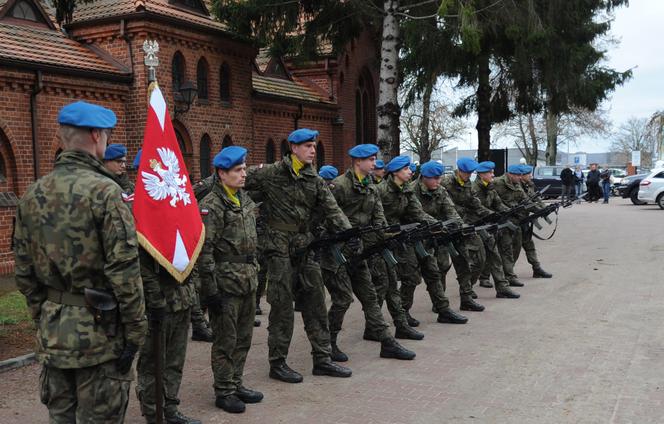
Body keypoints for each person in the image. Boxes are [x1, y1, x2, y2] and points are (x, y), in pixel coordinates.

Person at [14, 101, 147, 423]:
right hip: (100, 336)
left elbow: (24, 271)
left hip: (54, 331)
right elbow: (124, 271)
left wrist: (45, 315)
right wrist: (135, 332)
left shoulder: (33, 193)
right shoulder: (106, 192)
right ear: (96, 135)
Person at [245, 128, 352, 383]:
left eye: (314, 146)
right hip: (279, 249)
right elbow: (234, 181)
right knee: (281, 307)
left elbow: (332, 209)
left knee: (316, 302)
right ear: (293, 148)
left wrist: (350, 233)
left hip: (306, 247)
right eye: (307, 146)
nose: (313, 150)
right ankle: (278, 363)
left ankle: (322, 359)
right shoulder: (271, 173)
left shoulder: (313, 179)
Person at [320, 144, 415, 361]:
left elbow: (378, 218)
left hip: (359, 251)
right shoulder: (340, 186)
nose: (374, 163)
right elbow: (325, 217)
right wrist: (342, 236)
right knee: (343, 299)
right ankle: (328, 343)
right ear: (358, 162)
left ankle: (387, 342)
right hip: (336, 253)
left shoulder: (371, 186)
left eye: (374, 159)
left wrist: (389, 236)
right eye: (371, 160)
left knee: (370, 297)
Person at [197, 146, 264, 413]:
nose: (244, 174)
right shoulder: (211, 206)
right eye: (238, 170)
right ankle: (224, 390)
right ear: (222, 173)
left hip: (247, 280)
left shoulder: (244, 200)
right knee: (226, 340)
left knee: (244, 337)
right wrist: (210, 291)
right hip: (225, 284)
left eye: (245, 168)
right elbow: (205, 251)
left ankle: (236, 383)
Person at [377, 156, 466, 326]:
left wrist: (449, 226)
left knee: (433, 272)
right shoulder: (384, 191)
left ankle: (443, 309)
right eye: (406, 169)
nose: (410, 171)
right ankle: (401, 314)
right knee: (409, 278)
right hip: (398, 241)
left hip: (419, 238)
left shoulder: (406, 191)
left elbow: (419, 213)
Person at [135, 246, 201, 422]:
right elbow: (142, 265)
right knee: (153, 361)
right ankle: (153, 413)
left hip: (182, 298)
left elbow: (191, 256)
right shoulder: (146, 223)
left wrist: (193, 291)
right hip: (159, 302)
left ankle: (170, 408)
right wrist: (155, 299)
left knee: (175, 360)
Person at [440, 158, 493, 311]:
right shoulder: (445, 184)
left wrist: (492, 214)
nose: (469, 176)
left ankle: (466, 299)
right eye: (467, 173)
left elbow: (474, 203)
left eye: (471, 173)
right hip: (444, 229)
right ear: (460, 171)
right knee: (441, 266)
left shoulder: (467, 183)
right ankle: (440, 302)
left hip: (462, 227)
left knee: (469, 262)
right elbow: (447, 208)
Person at [472, 161, 521, 299]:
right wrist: (493, 214)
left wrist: (509, 212)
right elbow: (476, 209)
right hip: (474, 227)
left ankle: (502, 287)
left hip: (487, 226)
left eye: (493, 172)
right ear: (481, 174)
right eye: (490, 172)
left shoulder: (490, 187)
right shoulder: (474, 189)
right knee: (477, 261)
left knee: (495, 256)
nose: (493, 174)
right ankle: (467, 288)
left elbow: (498, 204)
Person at [493, 165, 528, 287]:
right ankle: (508, 276)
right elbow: (490, 200)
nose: (520, 177)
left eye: (520, 175)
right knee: (505, 249)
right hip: (501, 221)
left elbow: (526, 200)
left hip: (515, 221)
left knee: (516, 247)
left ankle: (508, 271)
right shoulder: (497, 183)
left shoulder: (517, 184)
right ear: (510, 174)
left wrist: (542, 209)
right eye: (518, 175)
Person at [519, 165, 553, 278]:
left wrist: (544, 209)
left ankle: (536, 268)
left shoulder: (529, 184)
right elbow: (527, 204)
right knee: (511, 251)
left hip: (524, 221)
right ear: (522, 176)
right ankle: (504, 275)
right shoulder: (516, 187)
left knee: (529, 245)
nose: (531, 176)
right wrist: (539, 210)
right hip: (515, 221)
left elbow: (535, 198)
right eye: (529, 174)